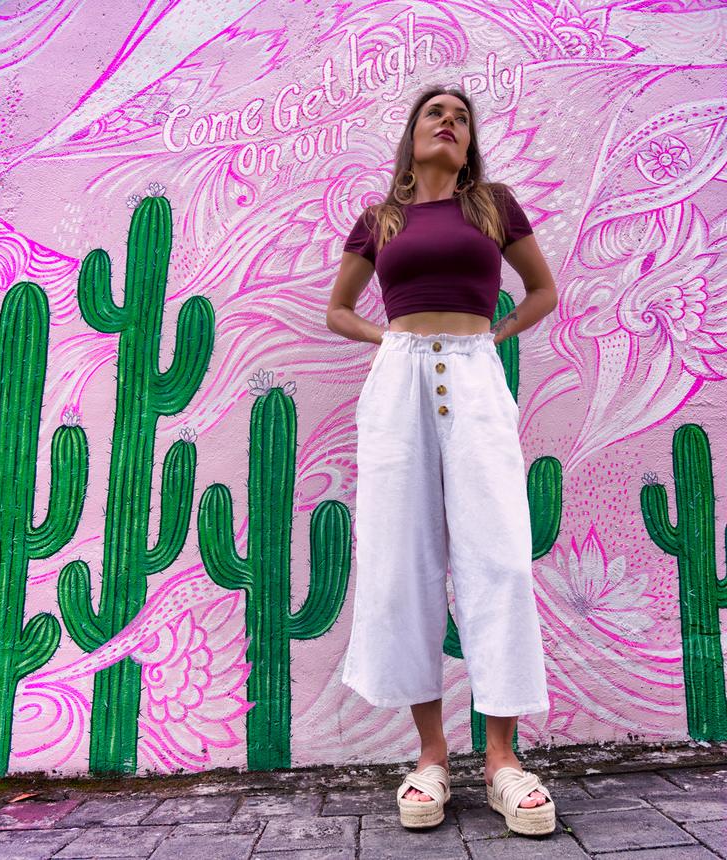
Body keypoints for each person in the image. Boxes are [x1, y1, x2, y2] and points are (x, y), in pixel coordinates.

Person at [326, 86, 559, 837]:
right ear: (413, 134)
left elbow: (543, 291)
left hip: (475, 373)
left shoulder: (492, 205)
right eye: (437, 112)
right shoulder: (380, 219)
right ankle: (430, 756)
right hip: (398, 383)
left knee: (500, 558)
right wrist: (388, 345)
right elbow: (337, 308)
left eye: (461, 116)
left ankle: (500, 759)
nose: (450, 120)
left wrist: (494, 338)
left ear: (469, 141)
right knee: (403, 560)